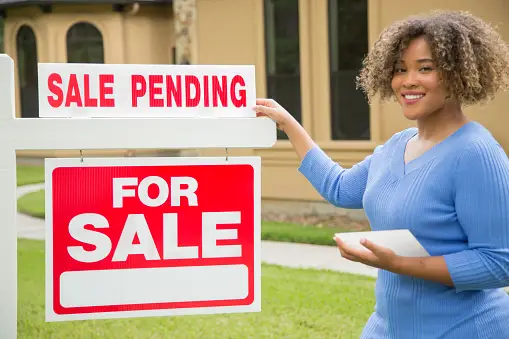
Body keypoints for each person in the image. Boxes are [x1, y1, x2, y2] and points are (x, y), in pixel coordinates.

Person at [253, 10, 509, 339]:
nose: (408, 80)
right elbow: (340, 188)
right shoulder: (397, 145)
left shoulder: (476, 153)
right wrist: (288, 124)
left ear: (457, 74)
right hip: (388, 327)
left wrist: (400, 265)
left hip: (464, 328)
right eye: (400, 69)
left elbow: (498, 263)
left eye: (425, 68)